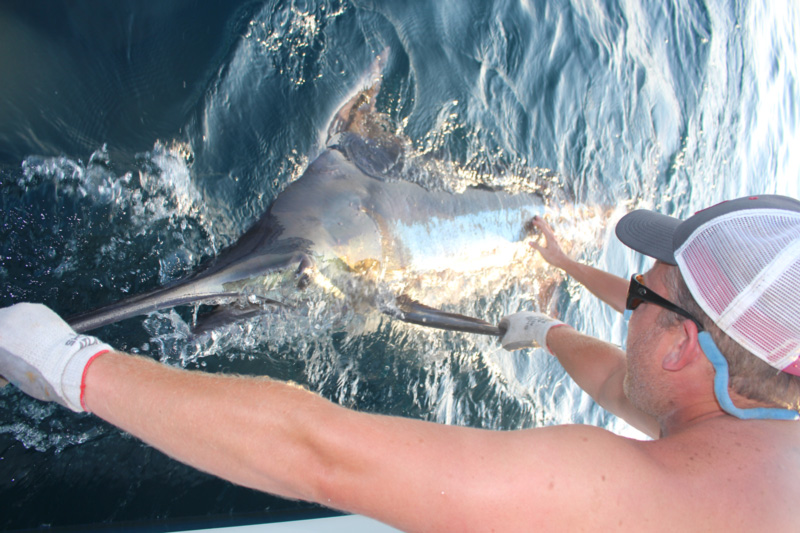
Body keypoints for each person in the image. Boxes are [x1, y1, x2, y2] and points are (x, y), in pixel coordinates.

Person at [1, 194, 800, 531]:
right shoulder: (759, 419)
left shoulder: (640, 497)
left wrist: (75, 366)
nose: (627, 302)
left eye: (641, 298)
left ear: (680, 345)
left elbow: (321, 453)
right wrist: (546, 330)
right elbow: (621, 383)